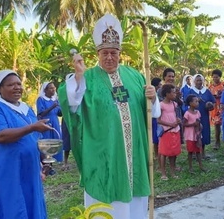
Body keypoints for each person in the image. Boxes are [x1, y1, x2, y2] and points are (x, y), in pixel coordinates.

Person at [58, 13, 160, 218]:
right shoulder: (87, 77)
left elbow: (152, 112)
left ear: (120, 52)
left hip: (135, 155)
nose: (109, 57)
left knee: (134, 207)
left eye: (114, 52)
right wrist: (78, 77)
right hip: (103, 154)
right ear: (98, 53)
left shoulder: (135, 75)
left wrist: (153, 97)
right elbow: (71, 105)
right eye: (105, 53)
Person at [0, 70, 51, 218]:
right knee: (11, 204)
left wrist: (44, 159)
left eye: (18, 84)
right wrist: (31, 127)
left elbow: (35, 137)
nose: (17, 87)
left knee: (30, 200)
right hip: (8, 168)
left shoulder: (26, 108)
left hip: (29, 168)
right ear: (0, 89)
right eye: (10, 85)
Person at [158, 84, 182, 180]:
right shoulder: (161, 105)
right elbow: (158, 120)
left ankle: (172, 172)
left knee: (173, 152)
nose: (174, 94)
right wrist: (170, 124)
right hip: (166, 131)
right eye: (173, 92)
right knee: (164, 152)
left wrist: (177, 120)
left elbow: (174, 114)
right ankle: (163, 173)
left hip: (175, 130)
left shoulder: (174, 104)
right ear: (167, 94)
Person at [188, 74, 215, 159]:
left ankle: (203, 152)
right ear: (194, 81)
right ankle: (194, 153)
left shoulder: (206, 91)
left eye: (201, 80)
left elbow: (213, 102)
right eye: (197, 80)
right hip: (193, 116)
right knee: (194, 133)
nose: (199, 82)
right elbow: (186, 103)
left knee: (203, 132)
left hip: (204, 115)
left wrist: (210, 105)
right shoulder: (191, 91)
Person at [36, 82, 63, 164]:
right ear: (45, 90)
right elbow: (41, 114)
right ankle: (46, 162)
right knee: (46, 142)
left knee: (55, 141)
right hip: (46, 123)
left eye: (54, 88)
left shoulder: (55, 100)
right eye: (51, 88)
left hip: (55, 122)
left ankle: (53, 161)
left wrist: (64, 107)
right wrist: (52, 107)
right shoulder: (41, 99)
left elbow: (59, 113)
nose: (53, 89)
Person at [183, 94, 205, 173]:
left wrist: (199, 127)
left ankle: (201, 166)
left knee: (198, 150)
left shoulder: (198, 112)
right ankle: (190, 167)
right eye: (195, 101)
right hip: (190, 135)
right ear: (190, 103)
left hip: (197, 135)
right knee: (190, 151)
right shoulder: (187, 113)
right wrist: (193, 124)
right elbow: (184, 124)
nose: (197, 103)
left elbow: (199, 122)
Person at [208, 69, 224, 150]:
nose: (215, 78)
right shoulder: (210, 86)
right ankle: (217, 142)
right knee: (216, 125)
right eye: (213, 77)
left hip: (222, 106)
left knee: (223, 124)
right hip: (214, 107)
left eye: (217, 77)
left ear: (220, 77)